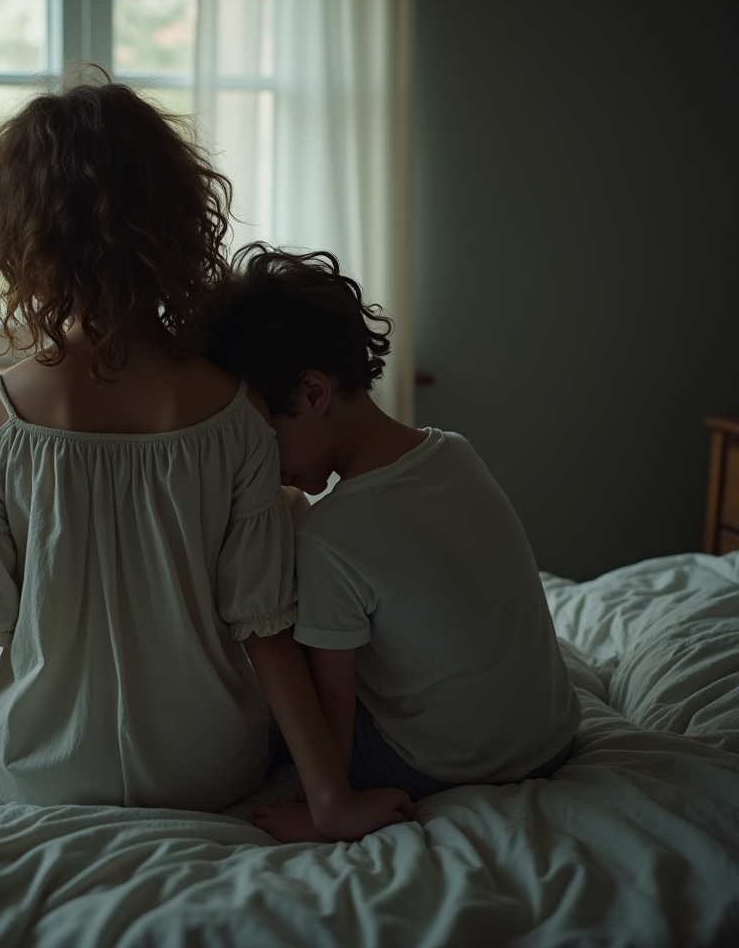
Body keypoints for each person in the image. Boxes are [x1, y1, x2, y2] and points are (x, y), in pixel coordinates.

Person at [0, 76, 411, 836]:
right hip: (205, 769)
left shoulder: (3, 412)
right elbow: (265, 628)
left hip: (39, 769)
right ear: (178, 221)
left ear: (20, 237)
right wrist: (329, 796)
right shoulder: (235, 409)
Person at [209, 245, 581, 843]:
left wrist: (322, 803)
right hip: (551, 736)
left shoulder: (329, 541)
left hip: (440, 766)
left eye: (261, 439)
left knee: (265, 664)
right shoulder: (455, 450)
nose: (264, 467)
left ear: (312, 393)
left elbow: (333, 707)